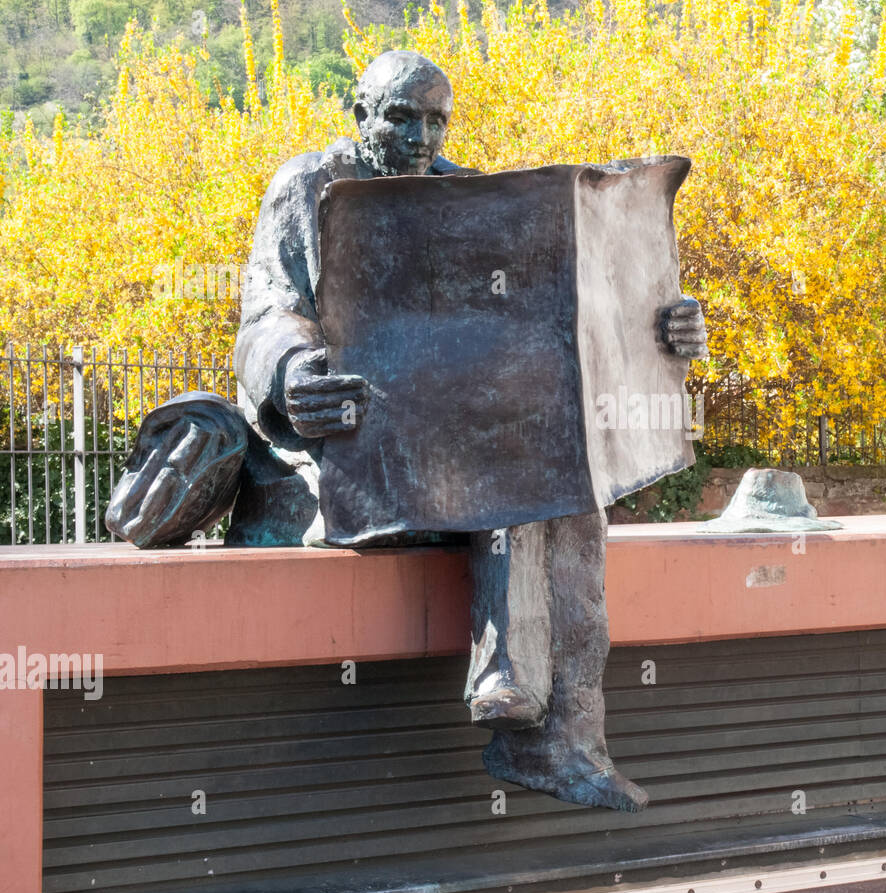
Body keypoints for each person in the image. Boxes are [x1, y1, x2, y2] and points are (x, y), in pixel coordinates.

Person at [108, 50, 708, 811]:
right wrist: (296, 374)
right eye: (401, 117)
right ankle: (517, 706)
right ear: (360, 116)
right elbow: (265, 317)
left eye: (436, 120)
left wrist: (659, 326)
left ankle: (554, 733)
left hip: (445, 452)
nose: (421, 136)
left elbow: (544, 325)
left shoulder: (463, 194)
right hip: (337, 453)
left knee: (561, 477)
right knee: (517, 475)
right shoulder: (308, 186)